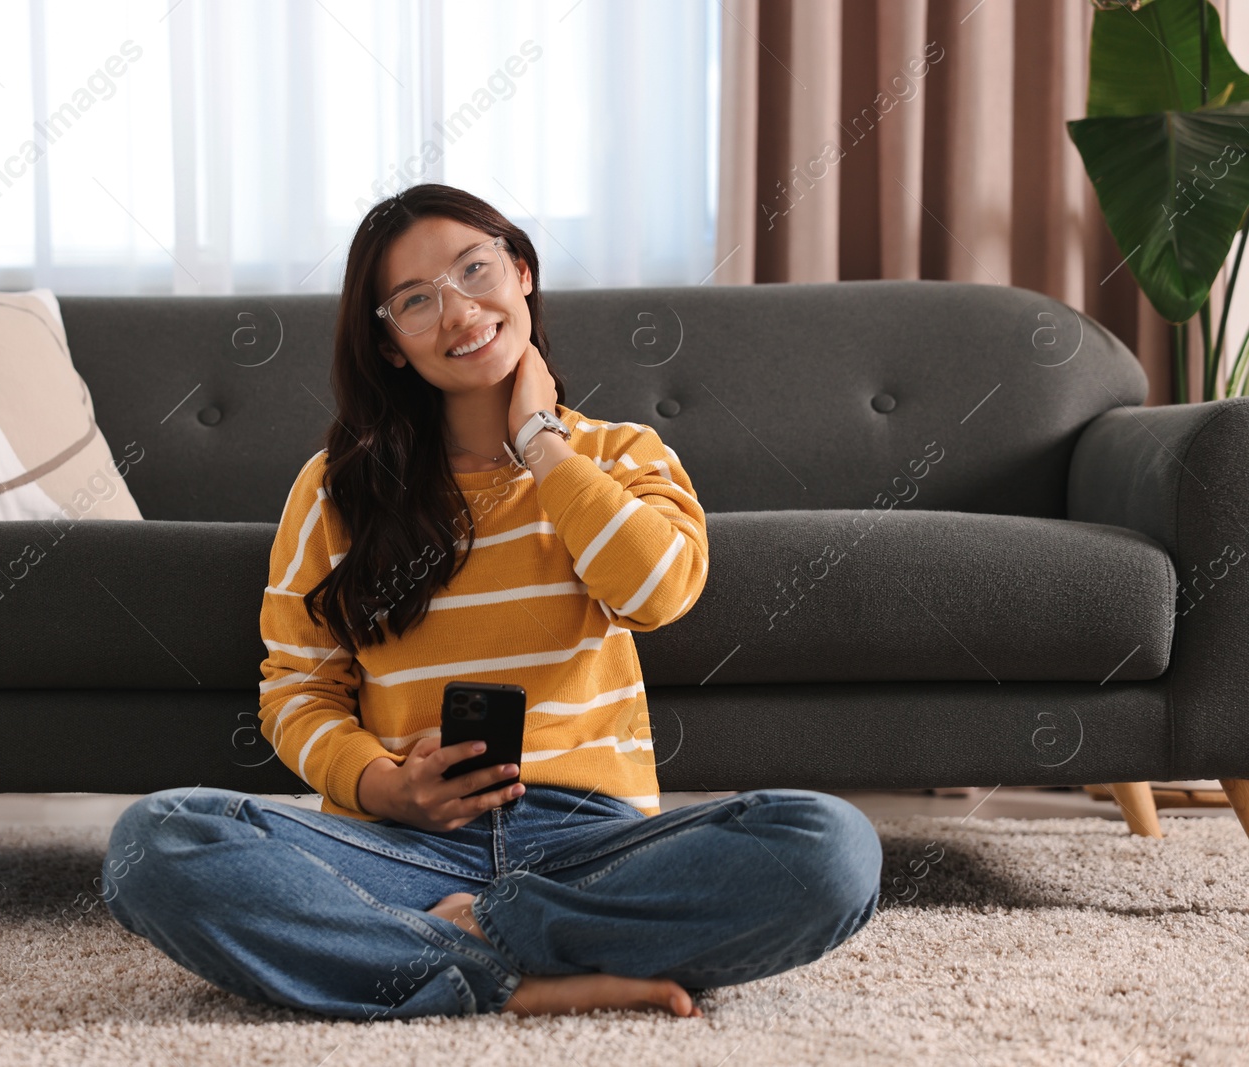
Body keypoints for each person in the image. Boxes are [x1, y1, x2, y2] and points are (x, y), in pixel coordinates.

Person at [104, 183, 883, 1020]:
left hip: (590, 840)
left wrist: (540, 442)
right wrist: (383, 786)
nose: (459, 310)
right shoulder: (333, 491)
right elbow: (296, 689)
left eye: (476, 269)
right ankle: (513, 979)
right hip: (404, 845)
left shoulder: (618, 455)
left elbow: (660, 590)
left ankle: (465, 940)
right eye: (416, 301)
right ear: (392, 344)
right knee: (157, 840)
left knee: (830, 847)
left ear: (521, 271)